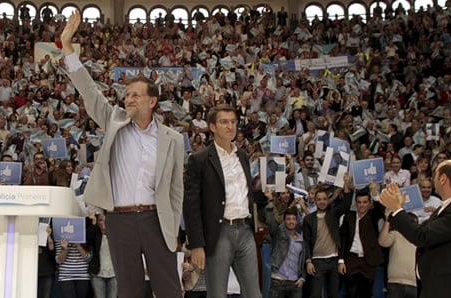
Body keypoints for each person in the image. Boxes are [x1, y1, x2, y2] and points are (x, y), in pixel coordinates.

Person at [61, 10, 185, 298]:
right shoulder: (114, 121)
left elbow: (176, 190)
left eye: (135, 95)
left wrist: (172, 224)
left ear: (152, 101)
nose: (128, 98)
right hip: (120, 221)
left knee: (169, 290)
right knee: (128, 291)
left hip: (157, 220)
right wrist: (68, 46)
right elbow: (90, 92)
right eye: (127, 94)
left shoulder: (173, 139)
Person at [183, 104, 261, 298]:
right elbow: (191, 205)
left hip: (245, 230)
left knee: (254, 293)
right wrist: (196, 244)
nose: (230, 126)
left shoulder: (242, 156)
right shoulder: (199, 159)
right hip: (219, 233)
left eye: (233, 122)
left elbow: (245, 194)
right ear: (212, 127)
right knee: (217, 293)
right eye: (224, 122)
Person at [380, 159, 451, 298]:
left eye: (435, 175)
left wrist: (397, 209)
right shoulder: (447, 207)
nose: (433, 179)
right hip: (437, 286)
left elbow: (421, 236)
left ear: (443, 179)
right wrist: (398, 209)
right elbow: (420, 231)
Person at [302, 175, 352, 298]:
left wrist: (346, 184)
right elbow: (306, 242)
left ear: (327, 200)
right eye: (319, 199)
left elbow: (346, 205)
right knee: (315, 294)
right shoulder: (309, 219)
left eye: (324, 199)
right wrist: (308, 261)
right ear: (315, 201)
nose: (322, 202)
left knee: (334, 294)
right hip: (317, 262)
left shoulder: (333, 214)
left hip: (334, 261)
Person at [338, 186, 385, 298]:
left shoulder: (373, 216)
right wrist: (341, 260)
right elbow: (343, 240)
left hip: (368, 261)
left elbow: (383, 212)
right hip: (351, 260)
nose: (362, 205)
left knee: (366, 293)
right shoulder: (348, 218)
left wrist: (375, 195)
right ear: (356, 203)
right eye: (359, 202)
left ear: (369, 203)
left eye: (365, 202)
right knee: (351, 292)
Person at [260, 202, 305, 298]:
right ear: (284, 221)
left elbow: (303, 261)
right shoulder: (278, 234)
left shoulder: (302, 240)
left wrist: (302, 278)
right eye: (288, 219)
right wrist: (270, 203)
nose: (291, 222)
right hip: (278, 283)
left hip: (295, 284)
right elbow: (271, 223)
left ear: (297, 221)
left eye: (293, 219)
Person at [378, 211, 418, 298]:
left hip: (414, 284)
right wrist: (388, 220)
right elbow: (382, 242)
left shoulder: (419, 238)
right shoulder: (396, 234)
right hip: (396, 283)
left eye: (414, 223)